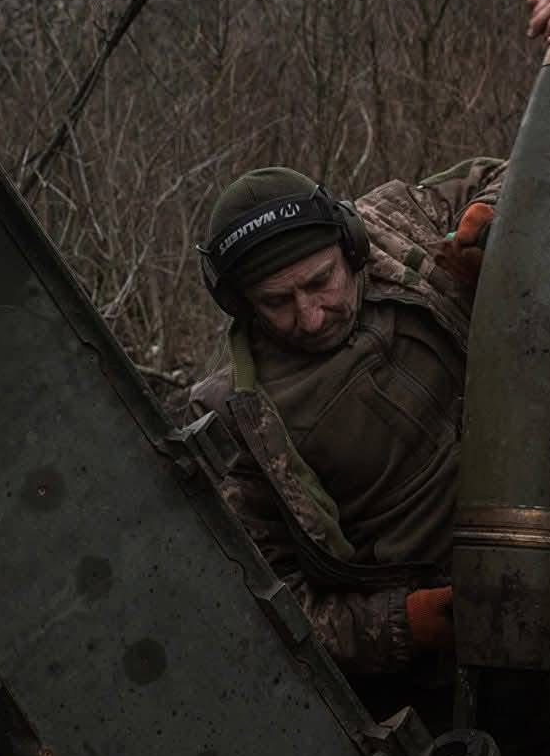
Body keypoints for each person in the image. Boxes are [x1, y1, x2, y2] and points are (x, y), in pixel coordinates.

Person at [185, 163, 499, 725]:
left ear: (349, 246)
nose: (308, 317)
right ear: (240, 305)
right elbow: (273, 604)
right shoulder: (243, 425)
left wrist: (492, 224)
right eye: (276, 302)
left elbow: (519, 166)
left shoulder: (397, 225)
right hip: (451, 651)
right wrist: (406, 622)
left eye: (319, 282)